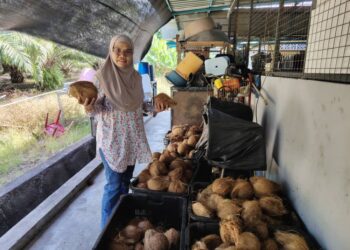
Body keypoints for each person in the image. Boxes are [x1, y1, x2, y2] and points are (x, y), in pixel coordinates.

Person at [80, 35, 170, 228]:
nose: (122, 55)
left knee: (125, 183)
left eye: (127, 51)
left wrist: (156, 107)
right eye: (117, 50)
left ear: (132, 54)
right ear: (110, 52)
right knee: (113, 187)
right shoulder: (101, 78)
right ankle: (107, 229)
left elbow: (141, 106)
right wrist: (88, 106)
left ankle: (120, 221)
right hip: (112, 142)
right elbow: (95, 109)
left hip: (131, 140)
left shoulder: (136, 78)